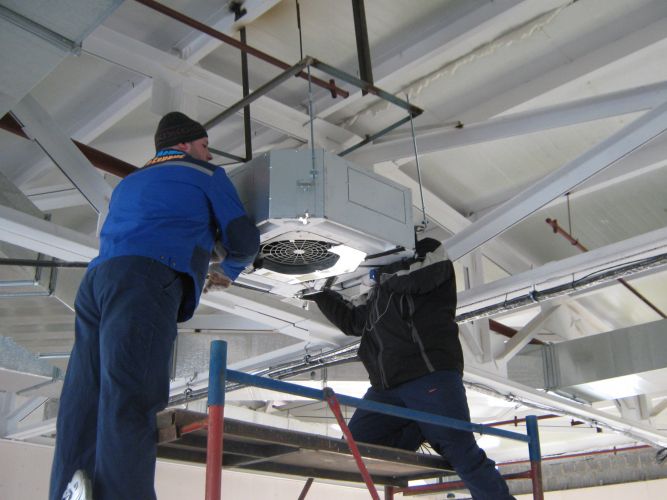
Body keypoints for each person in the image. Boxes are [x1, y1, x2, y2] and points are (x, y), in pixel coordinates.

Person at [49, 112, 260, 500]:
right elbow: (244, 238)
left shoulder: (128, 184)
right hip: (145, 282)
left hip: (97, 284)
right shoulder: (206, 174)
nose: (210, 155)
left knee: (84, 397)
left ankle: (66, 489)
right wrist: (228, 270)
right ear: (184, 145)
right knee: (129, 396)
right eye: (204, 146)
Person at [307, 238, 515, 500]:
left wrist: (378, 276)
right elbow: (354, 322)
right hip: (386, 388)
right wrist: (318, 293)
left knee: (461, 451)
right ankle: (421, 425)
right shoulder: (380, 290)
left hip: (427, 375)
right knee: (355, 446)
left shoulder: (429, 250)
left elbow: (420, 277)